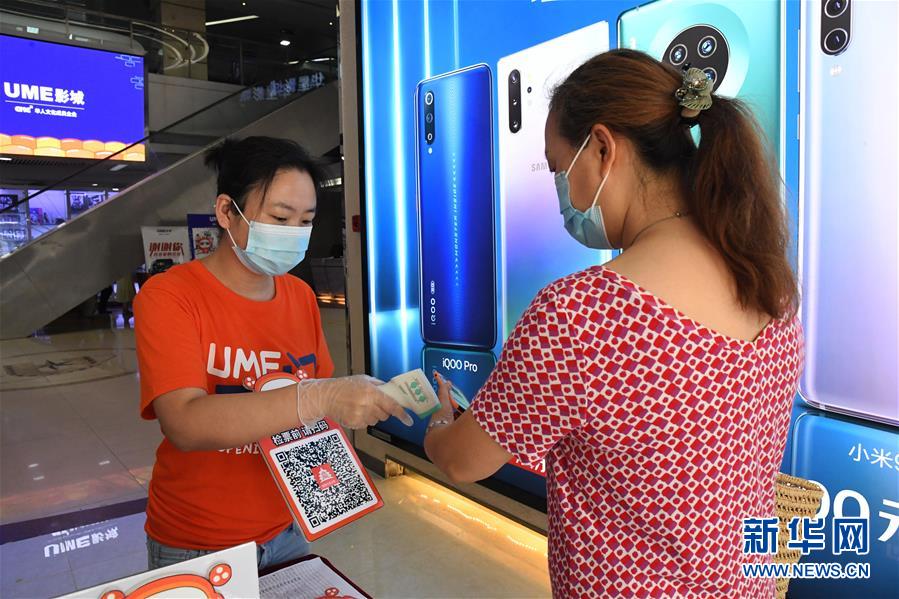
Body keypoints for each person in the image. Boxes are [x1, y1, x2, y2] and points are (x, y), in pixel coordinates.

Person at [424, 50, 803, 597]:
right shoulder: (770, 285)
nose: (562, 192)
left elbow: (464, 461)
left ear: (603, 148)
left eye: (558, 168)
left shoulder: (579, 316)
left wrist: (441, 425)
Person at [134, 136, 411, 571]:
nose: (294, 233)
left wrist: (353, 406)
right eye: (280, 217)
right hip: (199, 542)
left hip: (287, 530)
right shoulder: (170, 296)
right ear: (227, 211)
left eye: (306, 221)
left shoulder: (299, 296)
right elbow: (184, 423)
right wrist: (319, 396)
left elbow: (315, 411)